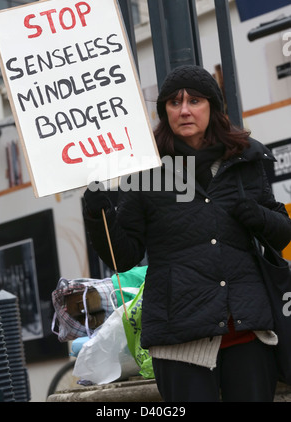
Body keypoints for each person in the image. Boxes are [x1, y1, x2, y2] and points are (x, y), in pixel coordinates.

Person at [83, 65, 291, 402]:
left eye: (195, 100)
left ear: (213, 107)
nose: (184, 110)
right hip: (178, 341)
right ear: (164, 111)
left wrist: (257, 216)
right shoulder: (147, 171)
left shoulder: (245, 160)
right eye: (174, 103)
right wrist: (98, 213)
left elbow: (281, 235)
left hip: (247, 334)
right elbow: (124, 257)